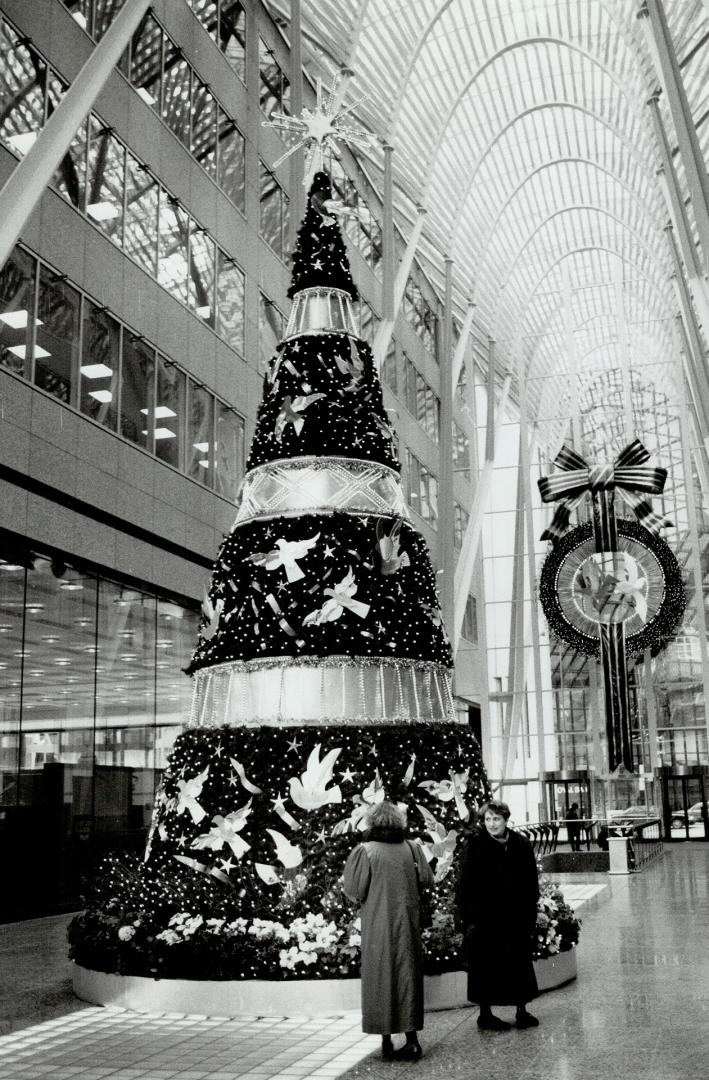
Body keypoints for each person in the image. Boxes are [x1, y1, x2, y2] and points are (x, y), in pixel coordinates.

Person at [343, 799, 434, 1061]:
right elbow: (427, 879)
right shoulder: (412, 848)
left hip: (378, 924)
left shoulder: (365, 850)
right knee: (407, 976)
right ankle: (412, 1040)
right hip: (408, 923)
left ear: (372, 821)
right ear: (399, 822)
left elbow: (354, 891)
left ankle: (385, 1040)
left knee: (381, 975)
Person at [456, 799, 540, 1031]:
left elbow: (531, 880)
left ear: (506, 820)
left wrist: (529, 909)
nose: (491, 824)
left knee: (518, 963)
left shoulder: (520, 844)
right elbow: (465, 883)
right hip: (486, 919)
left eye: (496, 819)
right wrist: (468, 916)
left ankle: (521, 1010)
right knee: (485, 965)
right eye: (487, 819)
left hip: (515, 917)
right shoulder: (476, 845)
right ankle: (485, 1014)